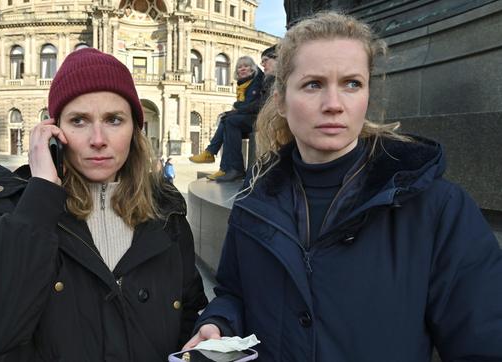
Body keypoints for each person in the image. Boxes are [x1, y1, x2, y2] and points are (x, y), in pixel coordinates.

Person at [184, 11, 502, 361]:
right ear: (281, 101)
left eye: (352, 83)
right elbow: (236, 293)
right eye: (313, 84)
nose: (334, 105)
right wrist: (219, 322)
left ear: (367, 94)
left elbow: (484, 338)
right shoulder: (253, 201)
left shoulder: (438, 207)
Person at [0, 48, 207, 361]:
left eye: (114, 120)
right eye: (79, 120)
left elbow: (188, 315)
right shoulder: (12, 209)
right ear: (54, 132)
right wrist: (39, 198)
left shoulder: (167, 213)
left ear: (135, 129)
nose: (98, 139)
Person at [189, 55, 264, 182]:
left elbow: (253, 105)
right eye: (240, 67)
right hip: (249, 118)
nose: (243, 69)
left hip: (258, 119)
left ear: (253, 69)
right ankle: (222, 166)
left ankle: (232, 167)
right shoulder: (243, 84)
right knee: (226, 120)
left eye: (246, 66)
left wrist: (236, 106)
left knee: (230, 120)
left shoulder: (256, 81)